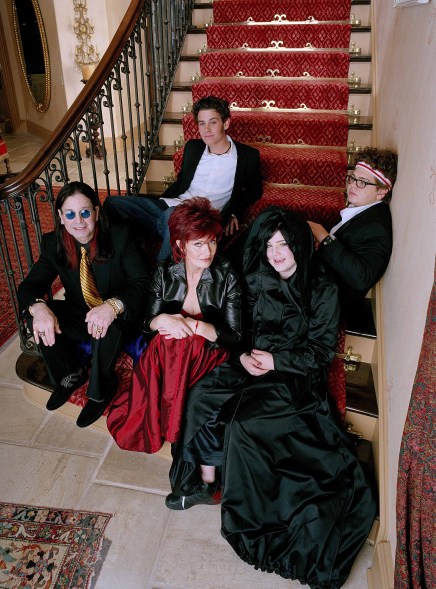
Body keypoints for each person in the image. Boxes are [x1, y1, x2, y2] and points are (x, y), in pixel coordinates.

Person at [167, 207, 377, 588]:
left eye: (283, 244)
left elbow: (319, 353)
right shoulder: (257, 278)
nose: (276, 253)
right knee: (201, 395)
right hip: (251, 363)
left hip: (293, 376)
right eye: (268, 244)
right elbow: (242, 332)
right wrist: (245, 354)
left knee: (245, 425)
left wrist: (277, 360)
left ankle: (245, 510)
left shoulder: (321, 287)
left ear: (298, 244)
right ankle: (204, 482)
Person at [107, 197, 242, 457]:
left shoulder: (227, 275)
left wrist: (194, 325)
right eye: (199, 243)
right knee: (166, 340)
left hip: (209, 352)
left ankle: (173, 424)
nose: (208, 251)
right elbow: (147, 323)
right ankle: (161, 417)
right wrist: (162, 320)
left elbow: (234, 336)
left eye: (212, 241)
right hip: (167, 351)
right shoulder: (166, 271)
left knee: (181, 343)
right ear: (181, 244)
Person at [17, 182, 150, 428]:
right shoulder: (53, 243)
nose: (78, 221)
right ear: (60, 217)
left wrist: (112, 307)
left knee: (105, 324)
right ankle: (69, 374)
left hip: (121, 317)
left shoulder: (120, 236)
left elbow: (142, 283)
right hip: (82, 311)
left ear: (96, 213)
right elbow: (29, 287)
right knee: (33, 315)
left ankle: (102, 389)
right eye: (70, 214)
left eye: (85, 212)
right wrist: (39, 309)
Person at [104, 96, 263, 260]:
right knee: (113, 203)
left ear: (226, 123)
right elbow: (180, 182)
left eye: (213, 122)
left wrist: (235, 212)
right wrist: (159, 202)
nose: (206, 129)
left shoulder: (247, 156)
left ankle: (161, 276)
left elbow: (255, 190)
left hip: (202, 219)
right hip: (171, 206)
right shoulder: (193, 148)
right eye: (202, 123)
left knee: (173, 214)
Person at [308, 147, 398, 313]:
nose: (352, 186)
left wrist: (324, 237)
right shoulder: (362, 209)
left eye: (362, 182)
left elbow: (362, 277)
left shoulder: (377, 226)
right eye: (352, 178)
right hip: (318, 278)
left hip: (322, 302)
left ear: (382, 191)